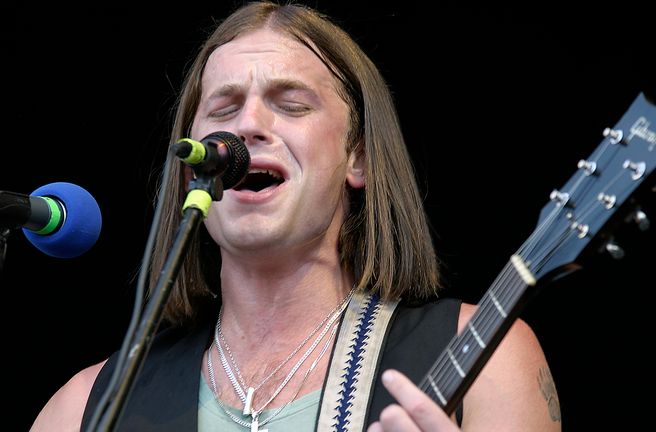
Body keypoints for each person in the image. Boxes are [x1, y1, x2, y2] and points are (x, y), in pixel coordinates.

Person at [31, 1, 561, 431]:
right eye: (222, 108)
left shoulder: (481, 354)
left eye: (291, 104)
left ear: (359, 157)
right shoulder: (84, 409)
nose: (248, 124)